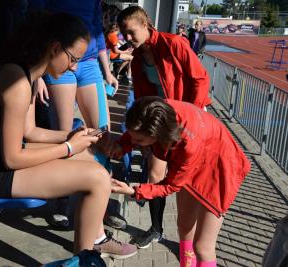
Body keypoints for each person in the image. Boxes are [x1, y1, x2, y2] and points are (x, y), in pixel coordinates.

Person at [0, 12, 137, 258]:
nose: (75, 67)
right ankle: (85, 256)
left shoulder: (27, 75)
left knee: (92, 156)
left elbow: (30, 132)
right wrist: (68, 148)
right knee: (97, 178)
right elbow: (12, 158)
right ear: (55, 48)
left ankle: (93, 240)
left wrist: (74, 135)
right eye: (73, 59)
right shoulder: (17, 82)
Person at [109, 97, 251, 267]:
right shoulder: (156, 111)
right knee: (184, 227)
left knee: (203, 247)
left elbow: (171, 185)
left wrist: (134, 191)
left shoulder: (188, 144)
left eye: (138, 142)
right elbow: (137, 129)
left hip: (220, 169)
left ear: (157, 134)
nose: (134, 144)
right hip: (197, 157)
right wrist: (122, 145)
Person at [114, 5, 211, 249]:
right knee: (155, 174)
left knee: (184, 181)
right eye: (123, 33)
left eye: (131, 32)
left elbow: (200, 79)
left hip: (189, 119)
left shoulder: (174, 43)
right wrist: (134, 139)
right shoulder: (137, 59)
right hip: (159, 121)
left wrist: (194, 114)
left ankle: (190, 239)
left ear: (145, 25)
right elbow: (143, 100)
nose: (126, 38)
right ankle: (156, 229)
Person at [30, 0, 120, 230]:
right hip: (60, 58)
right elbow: (37, 22)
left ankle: (103, 192)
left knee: (103, 132)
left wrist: (107, 72)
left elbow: (98, 31)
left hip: (88, 62)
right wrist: (38, 73)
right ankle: (62, 199)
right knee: (65, 132)